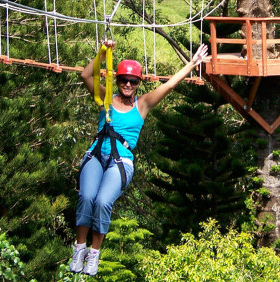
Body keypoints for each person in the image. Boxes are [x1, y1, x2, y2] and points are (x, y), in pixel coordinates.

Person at [69, 41, 208, 276]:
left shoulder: (142, 105)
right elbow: (86, 75)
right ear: (118, 80)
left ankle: (94, 253)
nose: (127, 84)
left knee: (102, 202)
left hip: (120, 162)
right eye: (123, 79)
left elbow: (169, 86)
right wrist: (103, 53)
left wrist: (192, 65)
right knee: (86, 196)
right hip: (96, 153)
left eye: (132, 81)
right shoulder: (105, 98)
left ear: (138, 84)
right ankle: (79, 247)